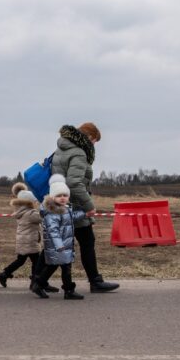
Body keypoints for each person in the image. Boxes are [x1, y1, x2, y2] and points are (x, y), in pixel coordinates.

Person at [51, 122, 119, 293]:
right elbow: (74, 183)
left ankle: (38, 279)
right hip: (75, 205)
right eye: (95, 141)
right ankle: (95, 282)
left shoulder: (62, 149)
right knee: (87, 242)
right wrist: (89, 205)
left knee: (58, 243)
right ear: (89, 137)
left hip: (61, 203)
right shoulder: (79, 152)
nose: (94, 145)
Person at [31, 175, 86, 300]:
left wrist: (84, 213)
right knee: (63, 267)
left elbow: (72, 218)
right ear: (52, 197)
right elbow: (53, 230)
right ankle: (68, 290)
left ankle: (40, 285)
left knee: (57, 266)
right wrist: (59, 245)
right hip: (58, 246)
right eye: (59, 195)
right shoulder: (52, 212)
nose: (62, 198)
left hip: (64, 245)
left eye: (65, 195)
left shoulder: (65, 209)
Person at [0, 182, 56, 291]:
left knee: (21, 260)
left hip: (24, 240)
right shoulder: (31, 213)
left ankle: (4, 274)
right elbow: (43, 218)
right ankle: (36, 282)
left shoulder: (21, 211)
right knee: (37, 263)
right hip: (30, 241)